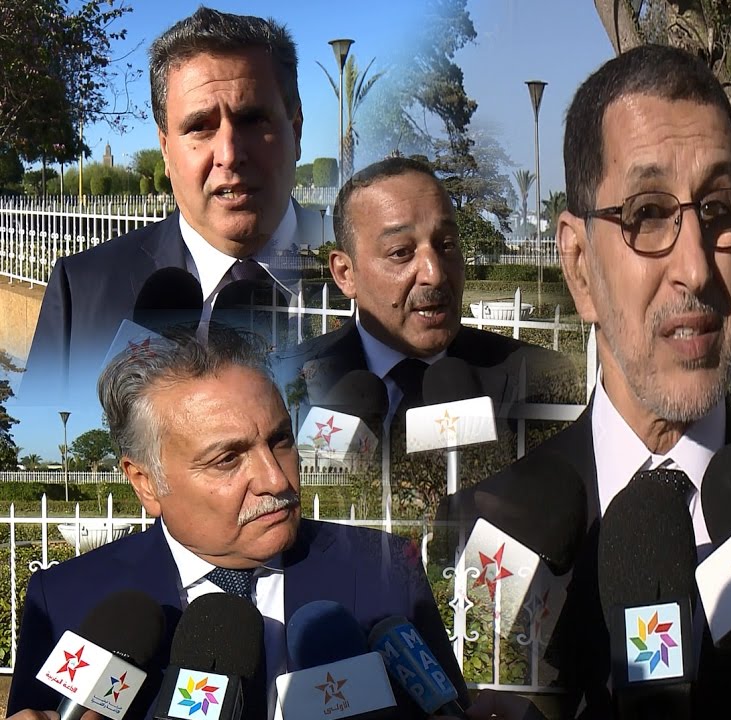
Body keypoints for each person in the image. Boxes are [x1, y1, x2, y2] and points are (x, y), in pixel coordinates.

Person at [446, 44, 731, 719]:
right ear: (579, 266)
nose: (697, 269)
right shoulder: (484, 533)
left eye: (718, 210)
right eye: (647, 214)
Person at [6, 326, 463, 720]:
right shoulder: (68, 602)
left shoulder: (385, 570)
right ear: (146, 483)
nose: (275, 480)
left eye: (280, 441)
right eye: (227, 459)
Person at [23, 7, 330, 404]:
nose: (229, 154)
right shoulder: (80, 293)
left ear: (296, 131)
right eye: (200, 126)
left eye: (253, 120)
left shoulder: (374, 274)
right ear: (166, 150)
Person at [281, 156, 573, 427]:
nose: (435, 275)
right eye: (401, 252)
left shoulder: (538, 380)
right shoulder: (284, 380)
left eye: (447, 245)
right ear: (345, 273)